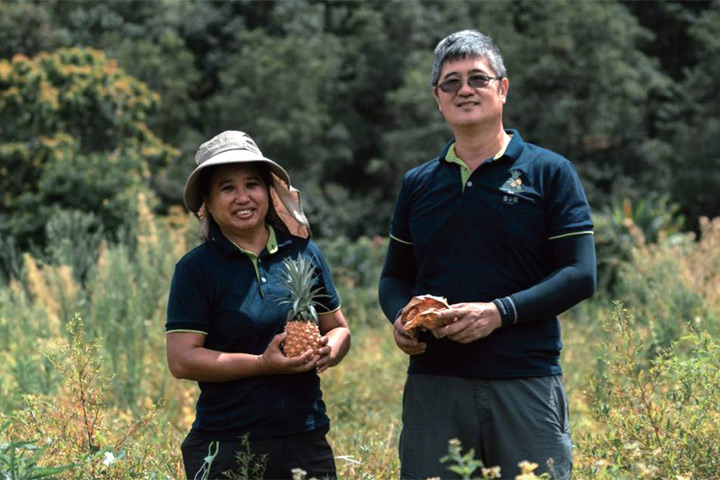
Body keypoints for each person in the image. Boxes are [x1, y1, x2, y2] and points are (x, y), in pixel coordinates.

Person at [378, 30, 596, 480]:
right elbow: (395, 277)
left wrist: (499, 313)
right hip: (435, 385)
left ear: (503, 88)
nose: (465, 90)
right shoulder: (418, 183)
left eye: (478, 78)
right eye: (450, 82)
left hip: (525, 379)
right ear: (437, 98)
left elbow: (580, 273)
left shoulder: (549, 171)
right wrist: (402, 319)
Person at [166, 130, 351, 480]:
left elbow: (339, 327)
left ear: (268, 190)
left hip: (304, 437)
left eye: (252, 184)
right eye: (227, 188)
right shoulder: (196, 269)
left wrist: (331, 349)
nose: (242, 197)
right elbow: (181, 359)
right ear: (207, 199)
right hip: (227, 443)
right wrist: (263, 364)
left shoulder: (304, 253)